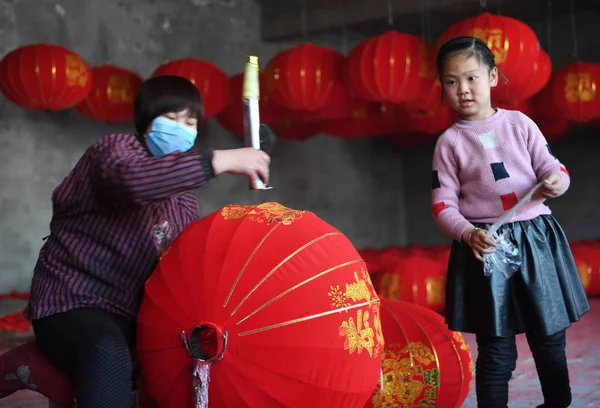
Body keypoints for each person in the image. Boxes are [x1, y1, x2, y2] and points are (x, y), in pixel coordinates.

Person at [24, 75, 271, 408]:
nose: (181, 128)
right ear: (145, 121)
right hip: (73, 303)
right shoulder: (113, 152)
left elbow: (183, 257)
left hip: (137, 316)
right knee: (105, 349)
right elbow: (134, 182)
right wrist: (222, 160)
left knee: (204, 354)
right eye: (170, 119)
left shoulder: (183, 196)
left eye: (190, 122)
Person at [431, 37, 590, 408]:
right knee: (497, 350)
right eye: (451, 82)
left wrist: (556, 183)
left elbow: (554, 168)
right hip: (485, 246)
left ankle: (557, 404)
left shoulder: (520, 123)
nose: (463, 90)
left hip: (537, 239)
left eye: (471, 78)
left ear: (492, 77)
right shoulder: (449, 142)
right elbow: (442, 206)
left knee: (549, 339)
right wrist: (468, 233)